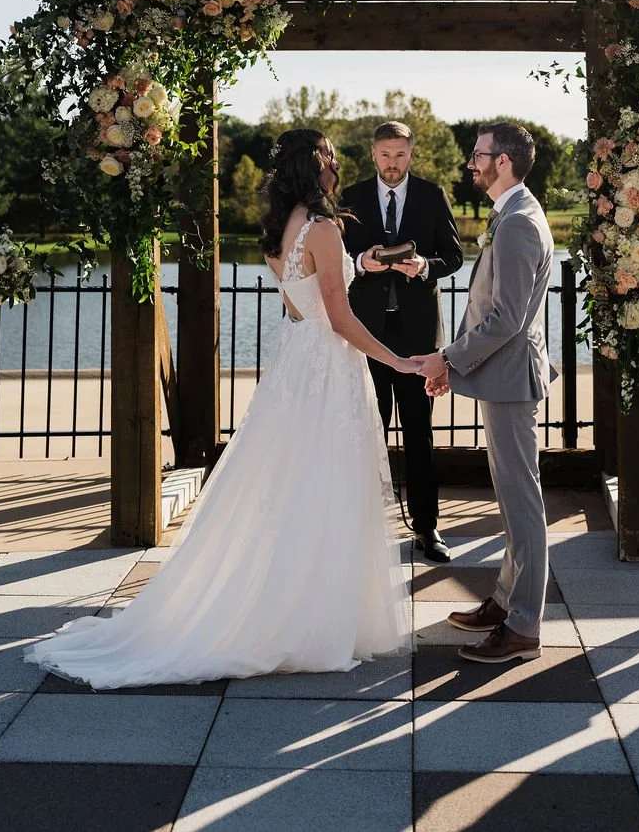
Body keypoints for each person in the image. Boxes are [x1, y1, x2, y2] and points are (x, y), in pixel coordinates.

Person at [27, 128, 416, 686]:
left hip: (297, 363)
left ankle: (299, 608)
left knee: (295, 488)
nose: (337, 164)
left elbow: (307, 290)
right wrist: (398, 361)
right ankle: (312, 619)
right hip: (327, 368)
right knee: (326, 485)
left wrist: (364, 264)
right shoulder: (326, 227)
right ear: (315, 165)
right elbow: (338, 316)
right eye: (330, 156)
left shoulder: (286, 228)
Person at [414, 123, 555, 664]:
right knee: (512, 495)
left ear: (504, 162)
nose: (471, 162)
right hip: (501, 375)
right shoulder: (510, 214)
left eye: (479, 155)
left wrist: (447, 357)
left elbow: (506, 319)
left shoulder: (518, 223)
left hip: (512, 378)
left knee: (522, 502)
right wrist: (455, 364)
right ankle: (503, 601)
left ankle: (523, 628)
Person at [342, 121, 464, 563]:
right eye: (385, 155)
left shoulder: (433, 195)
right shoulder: (350, 197)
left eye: (401, 155)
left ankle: (427, 529)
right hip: (367, 337)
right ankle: (360, 529)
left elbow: (454, 256)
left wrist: (425, 267)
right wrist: (360, 262)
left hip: (417, 339)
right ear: (373, 154)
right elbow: (334, 257)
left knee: (419, 434)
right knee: (367, 434)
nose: (393, 164)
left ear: (412, 153)